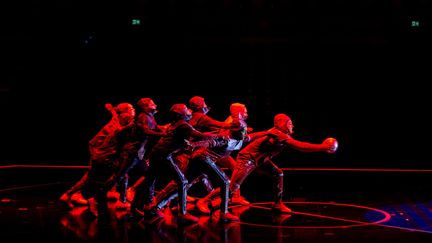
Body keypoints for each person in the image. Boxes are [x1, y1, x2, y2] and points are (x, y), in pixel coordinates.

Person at [201, 113, 338, 214]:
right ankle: (205, 201)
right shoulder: (278, 133)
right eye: (289, 123)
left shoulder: (277, 133)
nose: (292, 125)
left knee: (278, 173)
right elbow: (300, 146)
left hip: (260, 160)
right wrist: (322, 147)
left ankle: (278, 204)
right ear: (280, 124)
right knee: (232, 187)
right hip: (247, 159)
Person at [131, 104, 220, 224]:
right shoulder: (183, 125)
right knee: (182, 181)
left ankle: (145, 207)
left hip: (157, 153)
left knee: (149, 180)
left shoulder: (175, 124)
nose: (189, 113)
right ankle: (182, 214)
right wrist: (220, 135)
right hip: (163, 156)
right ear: (181, 115)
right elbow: (201, 136)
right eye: (185, 111)